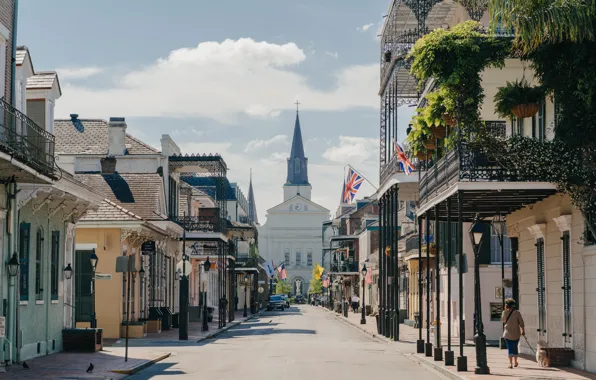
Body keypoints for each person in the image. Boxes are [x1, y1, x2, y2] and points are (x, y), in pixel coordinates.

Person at [501, 298, 525, 369]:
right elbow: (521, 323)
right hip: (516, 334)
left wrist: (505, 310)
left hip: (507, 334)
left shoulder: (504, 312)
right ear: (513, 305)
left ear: (506, 305)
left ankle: (511, 364)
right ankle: (515, 362)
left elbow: (502, 320)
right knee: (515, 347)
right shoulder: (517, 313)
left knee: (510, 348)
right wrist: (523, 331)